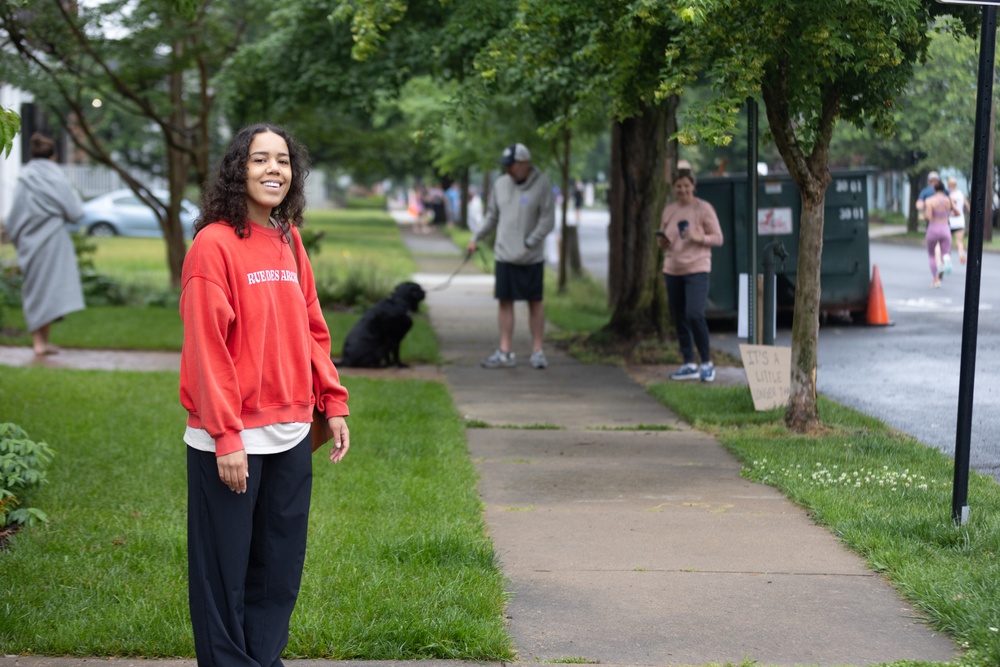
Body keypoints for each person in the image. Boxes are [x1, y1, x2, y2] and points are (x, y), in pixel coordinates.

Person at [179, 123, 350, 667]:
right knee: (223, 573)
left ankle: (263, 657)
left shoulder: (288, 238)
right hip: (230, 440)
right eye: (260, 160)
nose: (274, 169)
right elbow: (207, 350)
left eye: (282, 160)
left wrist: (333, 401)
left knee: (278, 568)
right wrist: (227, 437)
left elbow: (312, 328)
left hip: (292, 430)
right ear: (238, 170)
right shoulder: (213, 245)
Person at [466, 143, 555, 370]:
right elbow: (491, 217)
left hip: (531, 257)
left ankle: (537, 351)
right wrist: (476, 238)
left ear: (524, 163)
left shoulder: (542, 184)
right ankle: (505, 351)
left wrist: (530, 242)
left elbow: (547, 220)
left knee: (535, 301)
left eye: (511, 165)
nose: (507, 170)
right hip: (504, 255)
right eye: (506, 166)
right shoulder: (501, 184)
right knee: (505, 301)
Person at [5, 132, 86, 356]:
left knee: (34, 289)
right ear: (53, 156)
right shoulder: (56, 177)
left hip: (29, 243)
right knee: (49, 290)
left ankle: (39, 342)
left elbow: (12, 218)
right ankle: (41, 343)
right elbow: (75, 212)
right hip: (52, 242)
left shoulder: (24, 178)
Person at [656, 169, 724, 382]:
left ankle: (707, 362)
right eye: (678, 186)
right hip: (672, 268)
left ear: (693, 186)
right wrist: (663, 242)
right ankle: (688, 363)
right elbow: (664, 236)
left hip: (697, 267)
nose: (683, 190)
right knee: (679, 317)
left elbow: (718, 238)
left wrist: (699, 237)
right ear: (673, 188)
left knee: (694, 313)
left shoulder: (703, 208)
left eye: (686, 185)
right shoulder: (669, 210)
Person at [924, 179, 955, 288]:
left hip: (934, 227)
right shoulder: (948, 200)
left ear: (934, 189)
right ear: (944, 189)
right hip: (945, 227)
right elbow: (956, 212)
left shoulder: (929, 201)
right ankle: (946, 259)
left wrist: (922, 217)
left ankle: (936, 279)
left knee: (932, 255)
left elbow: (929, 217)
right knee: (945, 252)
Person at [948, 176, 969, 264]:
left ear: (949, 185)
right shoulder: (960, 193)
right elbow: (967, 206)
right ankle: (962, 254)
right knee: (959, 241)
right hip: (960, 221)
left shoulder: (950, 195)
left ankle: (947, 259)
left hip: (950, 221)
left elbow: (951, 206)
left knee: (947, 242)